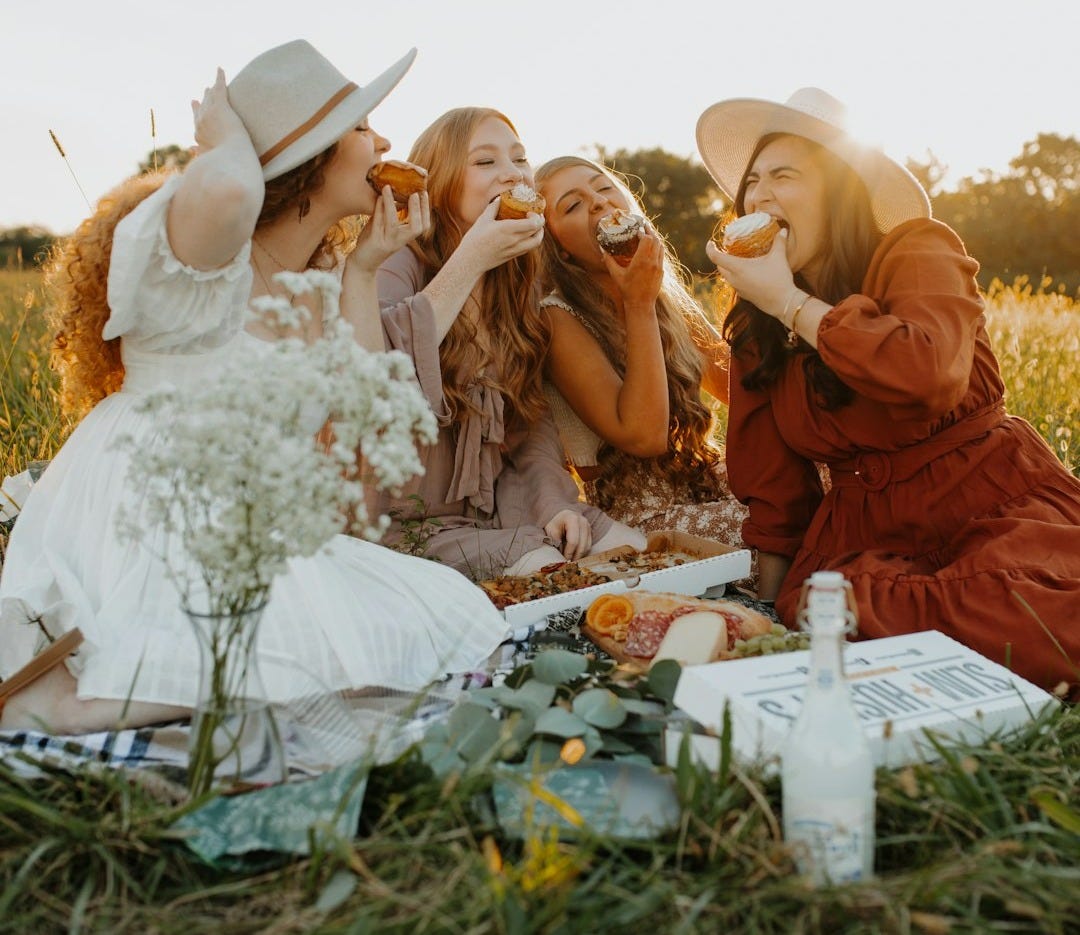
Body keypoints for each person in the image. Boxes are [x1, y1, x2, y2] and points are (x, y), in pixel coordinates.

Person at [0, 41, 512, 734]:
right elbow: (235, 188)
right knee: (269, 657)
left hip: (248, 525)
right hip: (152, 503)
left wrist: (365, 269)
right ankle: (66, 697)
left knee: (449, 621)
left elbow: (365, 433)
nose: (385, 140)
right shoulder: (203, 249)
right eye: (363, 128)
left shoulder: (321, 284)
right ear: (312, 152)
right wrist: (228, 137)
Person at [696, 87, 1080, 694]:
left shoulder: (917, 251)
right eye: (752, 180)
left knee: (1028, 607)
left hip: (990, 502)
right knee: (818, 607)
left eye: (784, 175)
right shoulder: (758, 323)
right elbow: (775, 490)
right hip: (868, 536)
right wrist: (766, 617)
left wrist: (791, 303)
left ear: (841, 190)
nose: (758, 195)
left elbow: (926, 374)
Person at [375, 109, 646, 578]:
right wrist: (471, 259)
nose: (513, 173)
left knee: (630, 551)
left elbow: (530, 430)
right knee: (546, 569)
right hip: (401, 524)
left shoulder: (517, 282)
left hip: (498, 513)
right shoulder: (399, 260)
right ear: (440, 183)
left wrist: (554, 507)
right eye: (485, 162)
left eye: (519, 158)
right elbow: (376, 366)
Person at [534, 155, 746, 544]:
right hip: (642, 518)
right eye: (573, 204)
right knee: (781, 522)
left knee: (830, 480)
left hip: (705, 480)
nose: (599, 203)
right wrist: (639, 304)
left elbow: (741, 388)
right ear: (558, 248)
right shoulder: (557, 318)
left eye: (603, 187)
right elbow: (643, 437)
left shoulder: (662, 294)